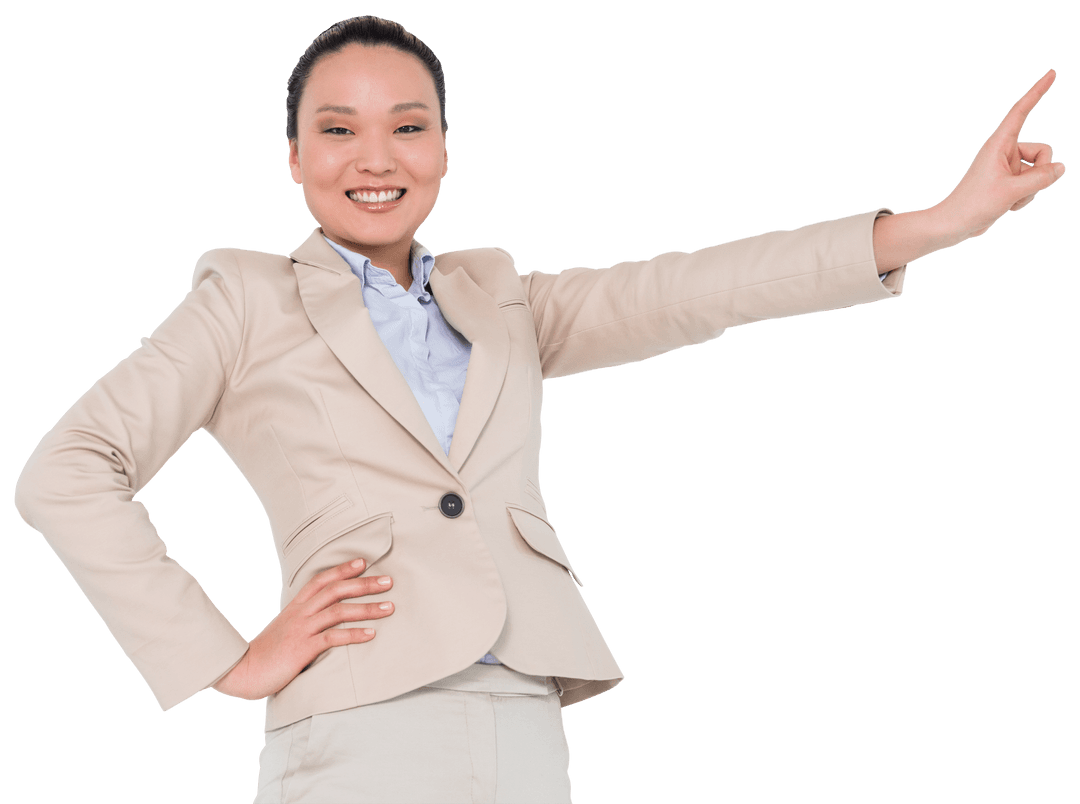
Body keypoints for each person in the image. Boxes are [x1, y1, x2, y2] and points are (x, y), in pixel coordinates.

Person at [11, 13, 1064, 804]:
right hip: (363, 729)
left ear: (444, 149)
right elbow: (67, 469)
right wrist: (230, 658)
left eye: (406, 127)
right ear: (293, 157)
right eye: (337, 130)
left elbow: (695, 288)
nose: (374, 158)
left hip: (527, 724)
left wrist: (937, 224)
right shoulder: (247, 298)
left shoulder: (501, 296)